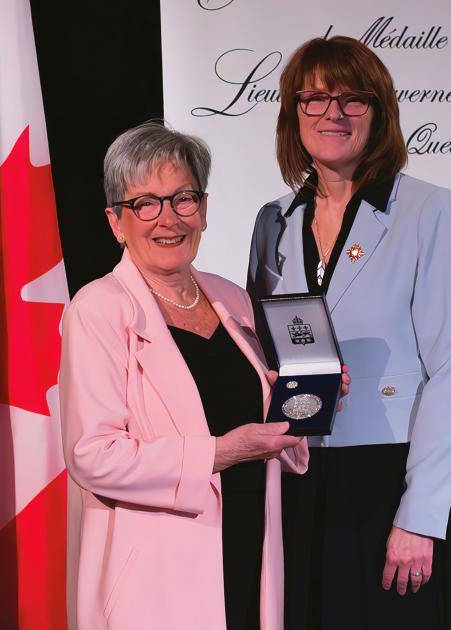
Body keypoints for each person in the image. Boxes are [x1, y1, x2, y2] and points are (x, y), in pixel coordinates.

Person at [61, 121, 348, 630]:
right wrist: (219, 452)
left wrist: (303, 402)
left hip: (246, 547)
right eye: (145, 203)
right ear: (115, 222)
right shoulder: (98, 309)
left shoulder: (232, 299)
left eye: (183, 198)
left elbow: (254, 421)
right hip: (156, 576)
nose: (168, 218)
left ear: (205, 209)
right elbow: (93, 455)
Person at [247, 36, 451, 629]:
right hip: (301, 474)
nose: (334, 113)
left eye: (354, 99)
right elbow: (265, 347)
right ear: (292, 114)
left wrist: (421, 515)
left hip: (395, 480)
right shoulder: (274, 220)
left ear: (380, 114)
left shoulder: (429, 209)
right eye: (315, 98)